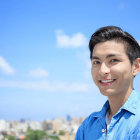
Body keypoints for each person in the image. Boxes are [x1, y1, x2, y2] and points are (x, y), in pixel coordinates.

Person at [75, 26, 140, 140]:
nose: (102, 70)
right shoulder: (88, 126)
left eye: (113, 60)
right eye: (96, 62)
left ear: (135, 66)